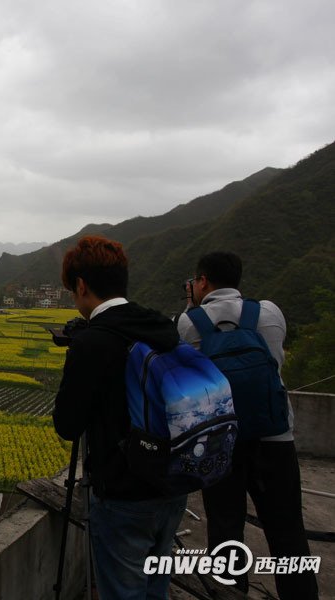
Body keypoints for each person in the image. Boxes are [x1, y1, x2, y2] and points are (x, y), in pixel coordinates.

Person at [177, 251, 318, 599]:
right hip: (275, 437)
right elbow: (277, 362)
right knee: (288, 531)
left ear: (203, 281)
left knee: (225, 532)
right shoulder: (268, 313)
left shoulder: (188, 322)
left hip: (220, 441)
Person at [53, 235, 186, 600]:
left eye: (72, 290)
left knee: (123, 592)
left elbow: (67, 425)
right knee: (155, 587)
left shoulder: (94, 342)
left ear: (81, 286)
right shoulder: (163, 327)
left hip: (125, 495)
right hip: (173, 483)